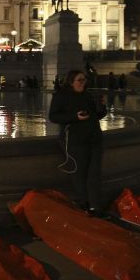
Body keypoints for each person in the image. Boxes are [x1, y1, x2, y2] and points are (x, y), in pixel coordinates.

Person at [49, 69, 108, 215]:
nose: (83, 83)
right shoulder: (61, 96)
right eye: (80, 80)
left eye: (84, 80)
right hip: (76, 140)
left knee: (94, 173)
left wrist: (103, 107)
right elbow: (53, 117)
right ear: (71, 82)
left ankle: (95, 206)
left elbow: (96, 116)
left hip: (94, 138)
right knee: (79, 174)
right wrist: (74, 116)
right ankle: (85, 203)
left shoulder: (87, 95)